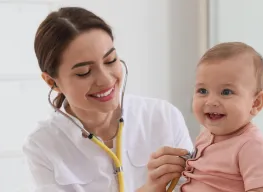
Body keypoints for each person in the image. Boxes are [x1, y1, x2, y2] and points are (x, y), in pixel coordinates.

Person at [23, 7, 194, 192]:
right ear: (51, 82)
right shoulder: (41, 145)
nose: (105, 80)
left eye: (110, 60)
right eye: (84, 72)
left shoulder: (163, 116)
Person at [180, 42, 263, 192]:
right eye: (202, 90)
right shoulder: (205, 137)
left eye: (226, 92)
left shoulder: (254, 148)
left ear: (256, 103)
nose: (211, 101)